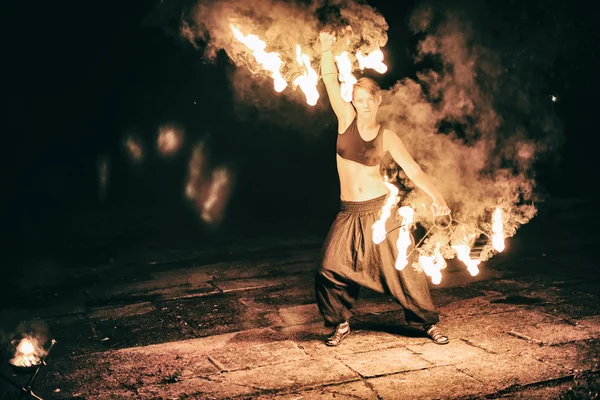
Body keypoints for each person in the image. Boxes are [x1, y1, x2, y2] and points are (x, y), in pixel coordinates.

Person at [315, 31, 451, 346]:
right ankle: (341, 323)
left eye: (368, 100)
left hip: (380, 210)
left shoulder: (386, 135)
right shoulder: (344, 119)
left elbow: (412, 169)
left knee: (407, 272)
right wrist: (325, 49)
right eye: (358, 100)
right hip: (349, 213)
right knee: (328, 269)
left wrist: (437, 196)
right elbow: (330, 81)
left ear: (378, 101)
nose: (363, 105)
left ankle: (426, 323)